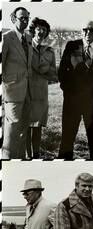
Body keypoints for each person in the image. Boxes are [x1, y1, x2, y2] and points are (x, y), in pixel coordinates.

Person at [58, 21, 93, 159]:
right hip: (72, 101)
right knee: (67, 138)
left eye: (92, 30)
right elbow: (63, 72)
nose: (88, 32)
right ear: (81, 31)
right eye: (85, 29)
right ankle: (64, 164)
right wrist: (68, 92)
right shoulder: (71, 46)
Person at [3, 7, 33, 159]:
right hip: (13, 92)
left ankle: (20, 159)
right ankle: (7, 160)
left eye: (27, 18)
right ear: (13, 19)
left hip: (27, 91)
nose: (25, 20)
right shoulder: (7, 37)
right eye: (22, 18)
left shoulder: (28, 38)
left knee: (23, 130)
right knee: (11, 131)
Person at [27, 17, 57, 159]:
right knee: (26, 126)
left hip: (41, 93)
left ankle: (36, 154)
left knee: (37, 126)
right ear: (33, 30)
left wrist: (44, 69)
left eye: (44, 30)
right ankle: (27, 155)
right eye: (39, 29)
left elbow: (53, 75)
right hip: (26, 91)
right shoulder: (25, 47)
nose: (41, 32)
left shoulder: (50, 52)